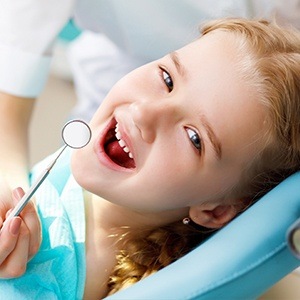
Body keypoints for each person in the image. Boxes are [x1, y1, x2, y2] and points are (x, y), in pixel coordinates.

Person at [0, 17, 300, 299]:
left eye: (194, 138)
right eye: (167, 78)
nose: (144, 112)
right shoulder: (91, 179)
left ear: (215, 210)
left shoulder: (36, 280)